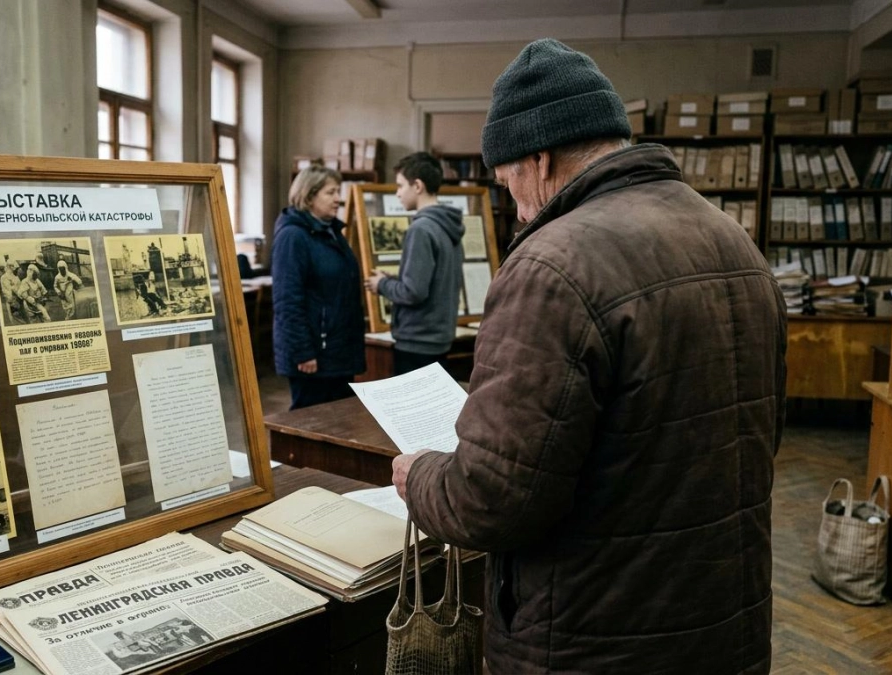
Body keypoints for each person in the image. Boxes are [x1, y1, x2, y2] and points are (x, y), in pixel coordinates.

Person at [391, 39, 786, 674]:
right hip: (724, 624)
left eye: (509, 182)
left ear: (540, 159)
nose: (516, 210)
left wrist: (420, 478)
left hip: (593, 637)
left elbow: (489, 499)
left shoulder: (553, 266)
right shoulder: (732, 239)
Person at [271, 166, 365, 409]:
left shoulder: (331, 232)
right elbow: (287, 301)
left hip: (338, 351)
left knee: (340, 422)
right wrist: (303, 351)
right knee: (311, 425)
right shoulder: (293, 237)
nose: (338, 199)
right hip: (314, 356)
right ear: (309, 196)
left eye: (338, 192)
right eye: (330, 192)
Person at [364, 152, 464, 374]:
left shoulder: (421, 229)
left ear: (417, 186)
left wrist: (381, 284)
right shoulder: (448, 226)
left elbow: (413, 292)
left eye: (400, 186)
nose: (397, 193)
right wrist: (392, 280)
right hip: (439, 339)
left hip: (417, 343)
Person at [0, 261, 22, 325]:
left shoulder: (16, 277)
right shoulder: (4, 277)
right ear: (9, 267)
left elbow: (20, 286)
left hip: (19, 299)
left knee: (21, 317)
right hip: (11, 300)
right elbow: (8, 289)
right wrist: (16, 291)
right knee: (14, 318)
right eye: (14, 267)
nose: (17, 270)